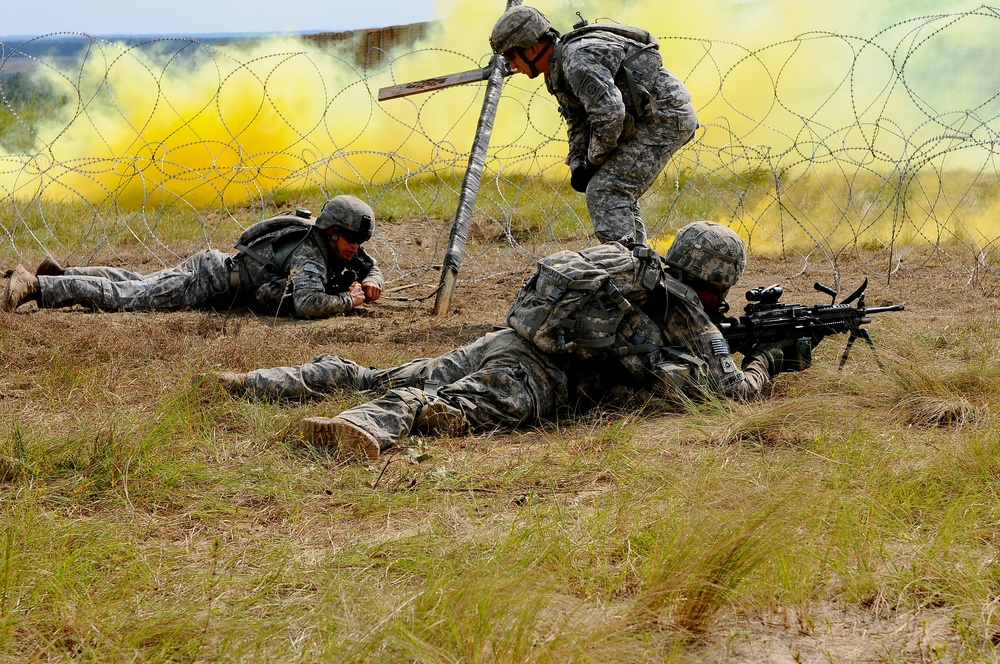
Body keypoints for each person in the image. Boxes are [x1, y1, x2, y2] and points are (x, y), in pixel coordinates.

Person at [212, 222, 810, 461]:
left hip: (508, 340)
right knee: (444, 408)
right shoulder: (689, 317)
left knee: (389, 372)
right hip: (543, 378)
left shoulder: (634, 268)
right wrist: (767, 361)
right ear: (718, 280)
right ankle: (365, 426)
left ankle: (263, 383)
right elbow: (732, 395)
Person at [489, 5, 699, 247]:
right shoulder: (556, 70)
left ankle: (627, 268)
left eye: (511, 56)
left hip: (665, 118)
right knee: (612, 190)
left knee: (606, 192)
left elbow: (610, 115)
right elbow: (577, 119)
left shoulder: (577, 61)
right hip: (646, 118)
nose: (512, 66)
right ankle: (636, 262)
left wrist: (594, 161)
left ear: (533, 47)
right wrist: (578, 163)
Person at [2, 195, 384, 318]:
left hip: (215, 267)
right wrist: (346, 301)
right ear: (332, 231)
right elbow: (308, 302)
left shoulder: (336, 247)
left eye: (359, 240)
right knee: (129, 298)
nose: (355, 247)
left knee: (136, 281)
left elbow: (369, 265)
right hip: (209, 283)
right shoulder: (311, 255)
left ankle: (63, 273)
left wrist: (373, 281)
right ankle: (35, 285)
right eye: (351, 238)